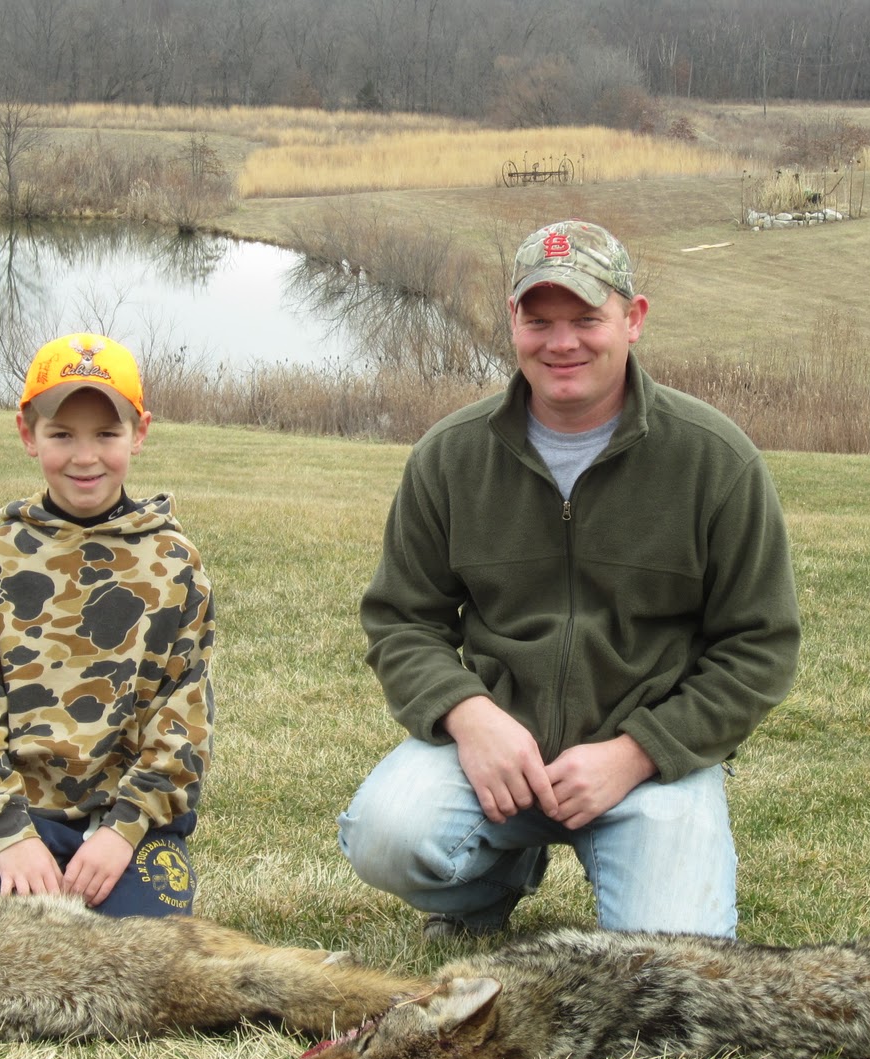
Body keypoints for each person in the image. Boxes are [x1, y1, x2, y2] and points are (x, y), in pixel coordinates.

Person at [339, 220, 800, 939]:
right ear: (512, 321)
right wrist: (472, 717)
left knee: (676, 962)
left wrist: (638, 752)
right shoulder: (449, 457)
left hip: (648, 765)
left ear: (633, 319)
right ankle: (493, 879)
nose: (562, 343)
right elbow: (402, 620)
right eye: (539, 319)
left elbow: (760, 647)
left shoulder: (714, 460)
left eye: (587, 318)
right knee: (386, 835)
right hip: (500, 759)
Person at [0, 332, 214, 916]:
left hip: (130, 828)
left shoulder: (175, 564)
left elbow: (181, 717)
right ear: (27, 434)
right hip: (16, 823)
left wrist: (123, 831)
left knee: (145, 979)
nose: (84, 457)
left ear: (139, 433)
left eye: (106, 434)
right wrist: (11, 834)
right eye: (61, 434)